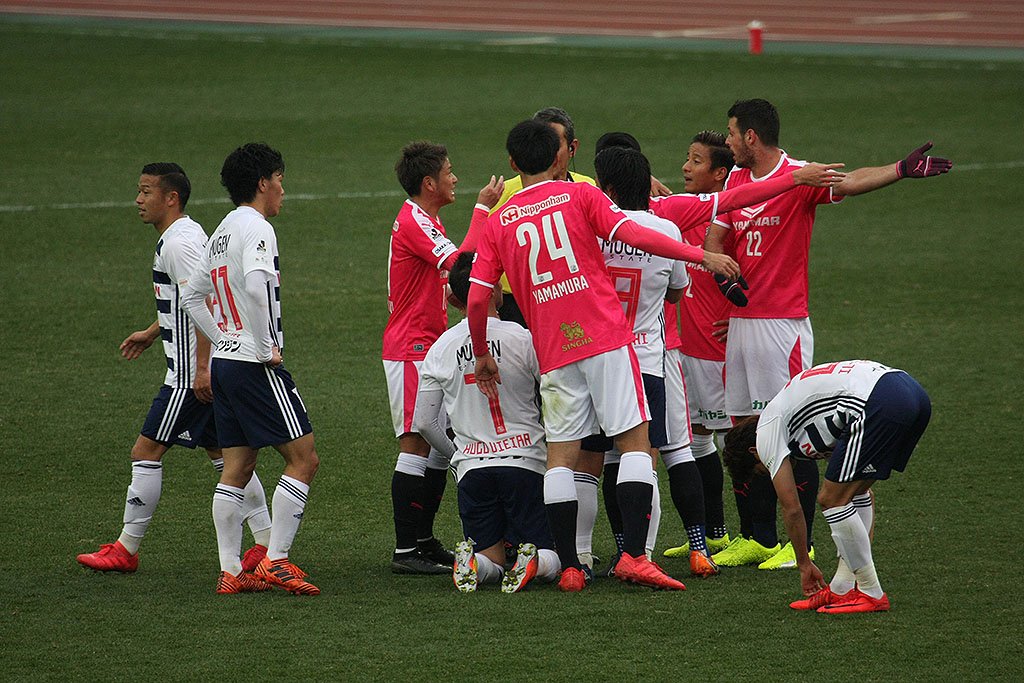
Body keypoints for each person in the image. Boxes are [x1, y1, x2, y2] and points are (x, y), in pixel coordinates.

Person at [467, 119, 743, 592]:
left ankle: (571, 567)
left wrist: (481, 354)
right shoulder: (581, 195)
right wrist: (701, 256)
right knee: (636, 444)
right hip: (605, 338)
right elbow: (636, 235)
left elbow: (476, 298)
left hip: (554, 349)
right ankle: (634, 556)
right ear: (560, 156)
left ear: (512, 163)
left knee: (562, 457)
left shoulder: (498, 221)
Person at [704, 99, 952, 569]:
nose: (728, 140)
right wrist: (724, 280)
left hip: (782, 326)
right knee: (744, 433)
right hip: (741, 324)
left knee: (787, 430)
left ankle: (800, 546)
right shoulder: (735, 180)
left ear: (751, 136)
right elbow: (714, 239)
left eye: (732, 133)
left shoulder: (800, 175)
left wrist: (899, 169)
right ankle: (757, 537)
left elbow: (851, 181)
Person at [77, 163, 271, 574]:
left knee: (145, 451)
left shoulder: (179, 244)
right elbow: (188, 298)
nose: (138, 199)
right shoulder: (185, 235)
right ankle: (266, 544)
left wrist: (202, 368)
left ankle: (126, 549)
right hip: (203, 370)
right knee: (228, 458)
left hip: (188, 378)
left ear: (171, 198)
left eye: (146, 191)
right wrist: (153, 332)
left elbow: (207, 300)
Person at [181, 142, 320, 595]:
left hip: (225, 363)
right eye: (279, 179)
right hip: (252, 363)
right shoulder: (257, 227)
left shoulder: (222, 230)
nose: (282, 189)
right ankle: (276, 560)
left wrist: (222, 338)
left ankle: (230, 569)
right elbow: (259, 290)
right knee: (303, 458)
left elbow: (191, 296)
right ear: (263, 183)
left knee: (237, 467)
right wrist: (263, 349)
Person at [591, 144, 721, 577]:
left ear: (608, 188)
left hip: (605, 359)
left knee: (616, 459)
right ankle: (699, 549)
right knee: (676, 450)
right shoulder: (666, 230)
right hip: (653, 356)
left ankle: (626, 552)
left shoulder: (594, 232)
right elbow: (678, 291)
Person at [721, 360, 931, 613]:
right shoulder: (795, 419)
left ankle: (870, 592)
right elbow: (861, 491)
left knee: (831, 499)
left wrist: (803, 564)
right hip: (910, 392)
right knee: (855, 492)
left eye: (761, 469)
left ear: (754, 452)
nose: (769, 472)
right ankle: (843, 587)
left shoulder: (766, 432)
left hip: (880, 399)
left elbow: (792, 509)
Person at [384, 141, 500, 574]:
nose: (455, 178)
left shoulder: (426, 218)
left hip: (425, 345)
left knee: (433, 446)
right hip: (410, 347)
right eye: (449, 172)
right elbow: (461, 263)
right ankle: (405, 551)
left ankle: (422, 540)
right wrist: (482, 209)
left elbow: (445, 278)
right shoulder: (415, 220)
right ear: (429, 183)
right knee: (415, 443)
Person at [412, 253, 560, 593]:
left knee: (491, 556)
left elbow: (425, 422)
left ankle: (476, 566)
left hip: (473, 469)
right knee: (553, 554)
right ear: (491, 290)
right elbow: (553, 393)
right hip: (525, 464)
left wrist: (458, 455)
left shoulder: (440, 347)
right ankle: (535, 560)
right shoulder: (522, 337)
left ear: (455, 297)